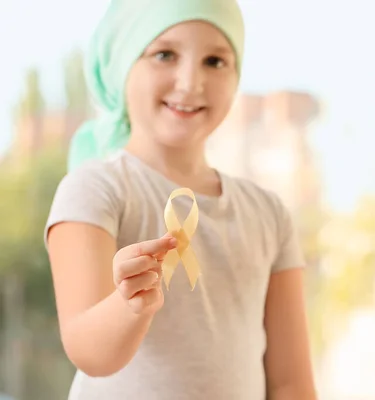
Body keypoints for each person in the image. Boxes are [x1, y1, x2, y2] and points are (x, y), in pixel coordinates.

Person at [44, 0, 317, 399]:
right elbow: (89, 353)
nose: (190, 82)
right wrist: (129, 306)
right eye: (164, 54)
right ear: (122, 66)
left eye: (215, 61)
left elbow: (291, 382)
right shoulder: (94, 190)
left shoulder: (269, 215)